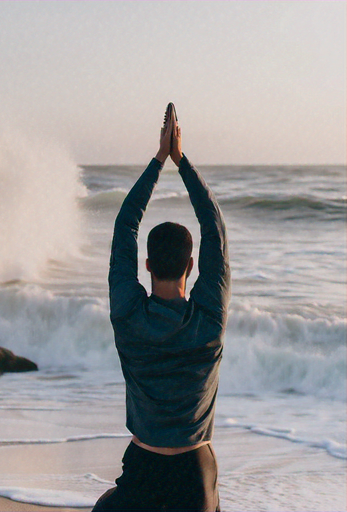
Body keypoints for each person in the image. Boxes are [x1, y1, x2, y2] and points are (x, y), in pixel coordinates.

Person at [92, 104, 230, 512]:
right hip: (196, 473)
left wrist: (158, 161)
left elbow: (124, 228)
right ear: (192, 266)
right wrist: (181, 160)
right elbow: (215, 231)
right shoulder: (209, 320)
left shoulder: (128, 316)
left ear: (147, 265)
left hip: (143, 469)